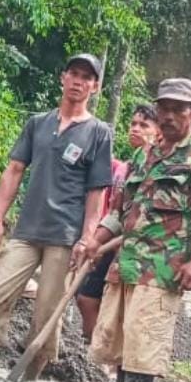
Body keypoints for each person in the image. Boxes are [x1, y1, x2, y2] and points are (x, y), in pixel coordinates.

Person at [0, 54, 113, 380]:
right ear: (63, 78)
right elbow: (14, 170)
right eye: (74, 74)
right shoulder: (38, 123)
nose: (79, 81)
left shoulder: (98, 133)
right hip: (27, 229)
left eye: (87, 77)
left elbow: (97, 192)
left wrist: (87, 238)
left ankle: (28, 376)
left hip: (65, 237)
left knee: (48, 311)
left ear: (95, 87)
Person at [84, 79, 191, 382]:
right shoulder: (142, 154)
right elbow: (120, 211)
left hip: (165, 265)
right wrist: (95, 242)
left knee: (146, 334)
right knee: (119, 333)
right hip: (126, 261)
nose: (169, 116)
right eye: (164, 108)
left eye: (179, 109)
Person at [76, 104, 159, 340]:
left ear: (158, 131)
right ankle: (92, 350)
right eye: (133, 123)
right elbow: (117, 209)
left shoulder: (157, 166)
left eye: (144, 125)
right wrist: (97, 239)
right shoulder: (129, 165)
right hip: (113, 237)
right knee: (86, 296)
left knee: (118, 305)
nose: (135, 129)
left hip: (139, 247)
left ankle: (107, 360)